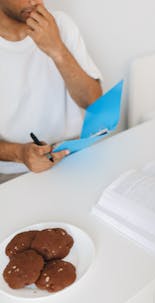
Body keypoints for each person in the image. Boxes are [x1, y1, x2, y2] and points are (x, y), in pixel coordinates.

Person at [0, 0, 102, 182]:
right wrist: (20, 153)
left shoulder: (61, 24)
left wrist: (57, 50)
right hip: (13, 172)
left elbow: (95, 103)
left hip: (75, 155)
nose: (35, 2)